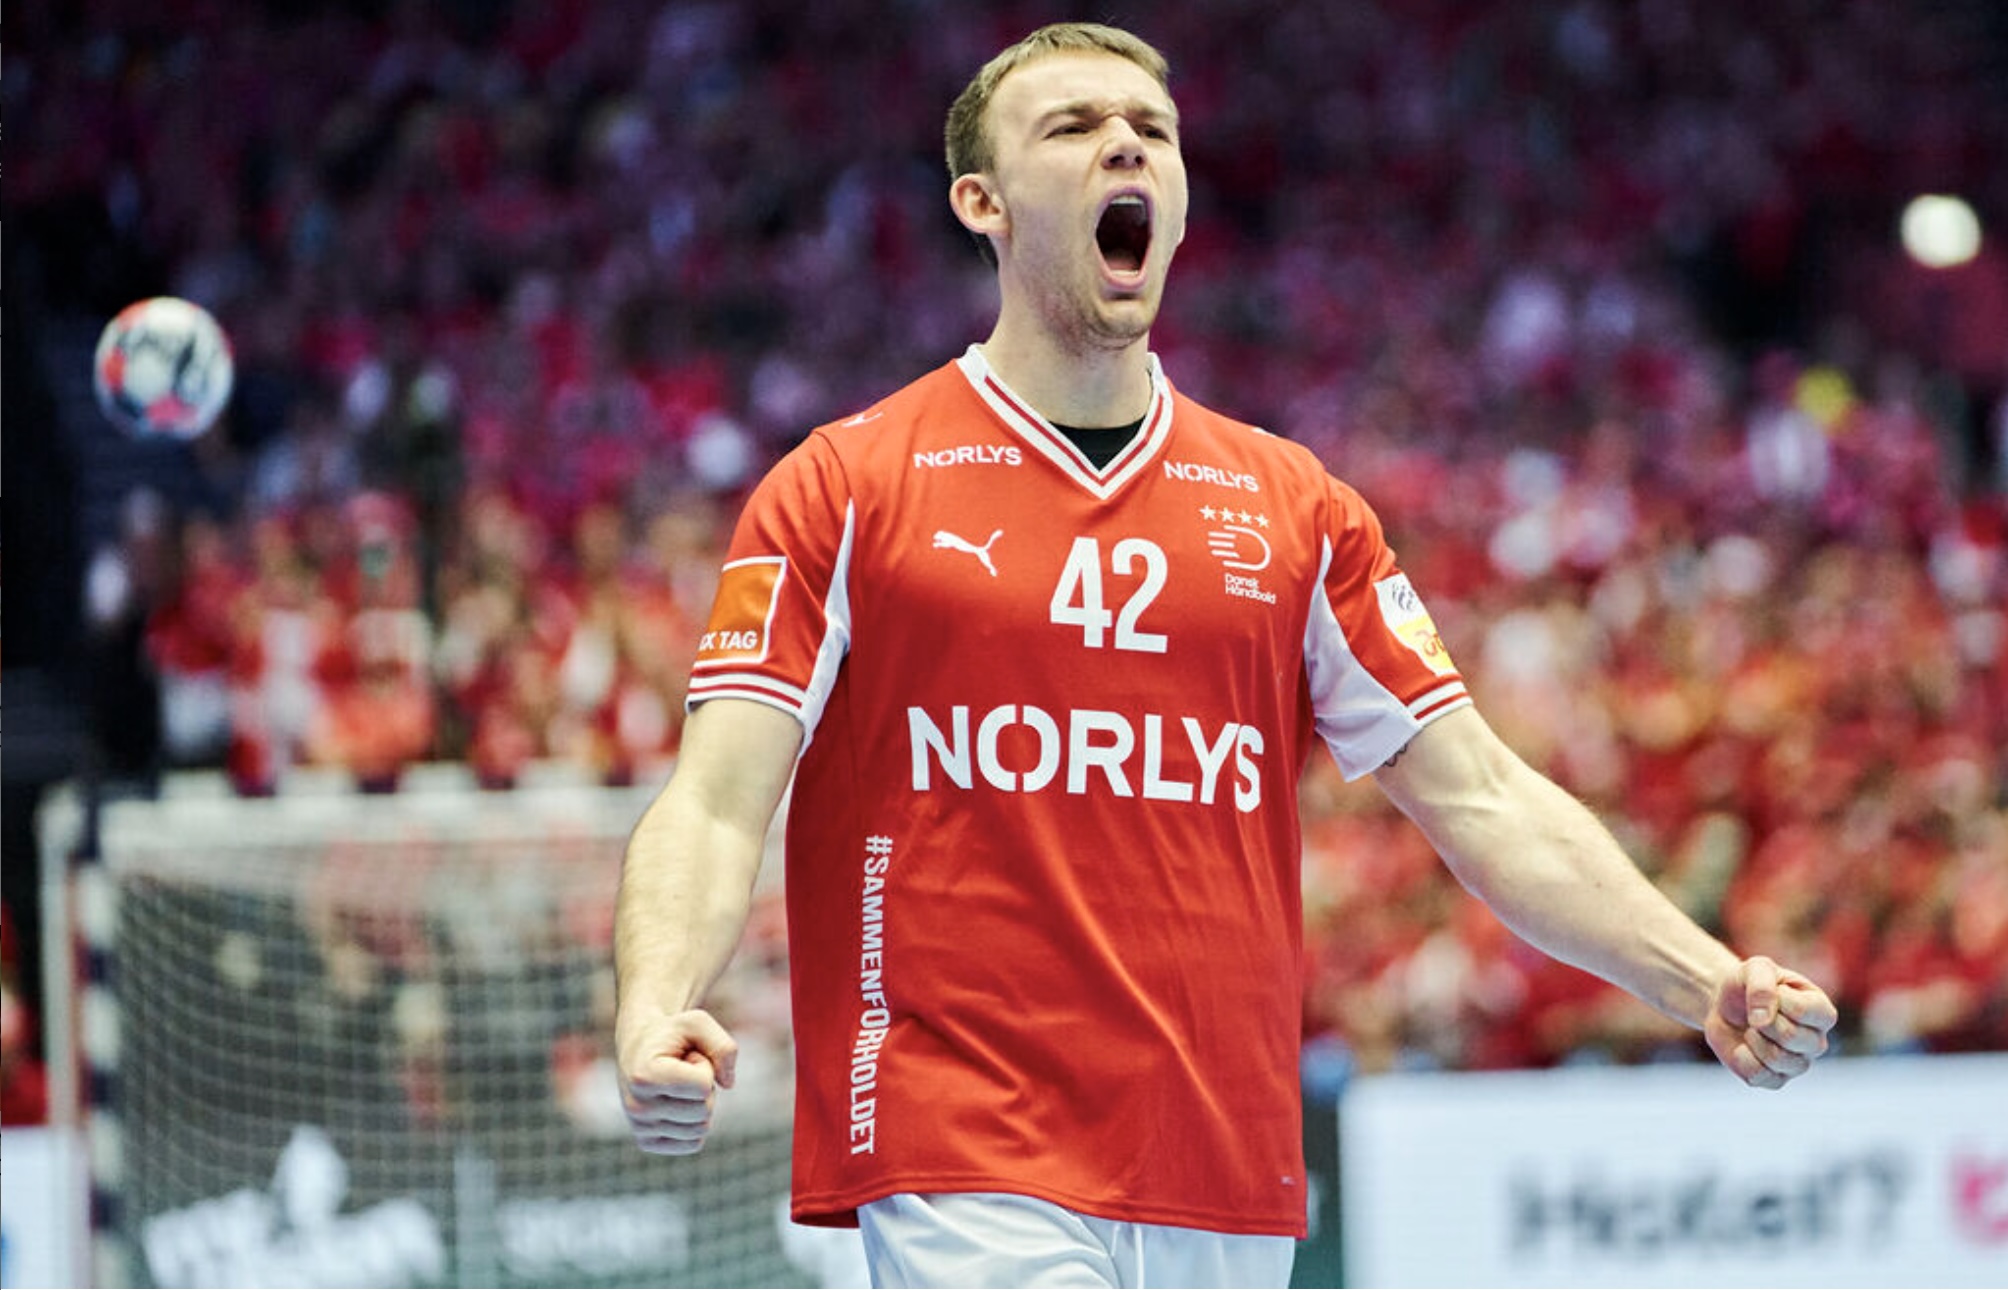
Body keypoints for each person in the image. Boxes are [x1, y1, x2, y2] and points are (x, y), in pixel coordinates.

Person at [615, 21, 1838, 1288]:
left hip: (1221, 1161)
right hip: (959, 1139)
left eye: (1151, 130)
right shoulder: (845, 486)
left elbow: (1480, 796)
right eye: (1073, 127)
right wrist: (653, 1007)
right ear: (982, 203)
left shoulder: (1294, 507)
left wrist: (1701, 979)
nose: (1124, 145)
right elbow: (714, 801)